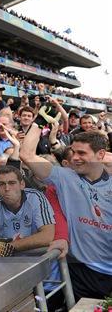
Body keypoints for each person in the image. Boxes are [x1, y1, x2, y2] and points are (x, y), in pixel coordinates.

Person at [20, 127, 112, 300]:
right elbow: (27, 155)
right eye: (73, 152)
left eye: (82, 153)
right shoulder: (64, 177)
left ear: (100, 155)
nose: (75, 158)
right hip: (81, 272)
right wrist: (38, 125)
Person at [0, 165, 55, 256]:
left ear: (22, 185)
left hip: (39, 262)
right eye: (2, 184)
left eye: (12, 183)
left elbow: (48, 235)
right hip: (10, 264)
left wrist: (10, 247)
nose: (7, 188)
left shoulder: (35, 197)